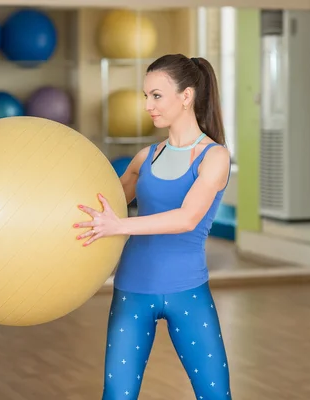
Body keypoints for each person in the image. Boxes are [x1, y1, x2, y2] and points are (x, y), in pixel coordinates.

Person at [73, 53, 232, 399]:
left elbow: (187, 218)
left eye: (156, 95)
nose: (148, 105)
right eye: (146, 96)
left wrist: (121, 226)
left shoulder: (215, 157)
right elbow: (100, 203)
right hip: (133, 289)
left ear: (186, 96)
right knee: (117, 396)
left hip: (187, 292)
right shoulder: (146, 157)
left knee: (215, 395)